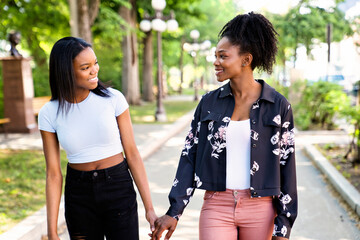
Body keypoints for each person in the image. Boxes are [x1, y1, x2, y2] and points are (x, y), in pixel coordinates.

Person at [151, 12, 297, 240]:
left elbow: (286, 166)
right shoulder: (208, 103)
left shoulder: (278, 106)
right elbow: (190, 155)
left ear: (246, 60)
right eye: (215, 56)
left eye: (223, 56)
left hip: (261, 209)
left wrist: (283, 227)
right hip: (216, 205)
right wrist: (174, 211)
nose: (215, 62)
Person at [38, 37, 157, 240]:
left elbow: (132, 154)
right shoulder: (49, 112)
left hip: (118, 187)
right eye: (85, 67)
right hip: (79, 194)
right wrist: (52, 232)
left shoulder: (113, 99)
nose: (95, 71)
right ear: (66, 71)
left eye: (95, 63)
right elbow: (53, 174)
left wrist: (150, 209)